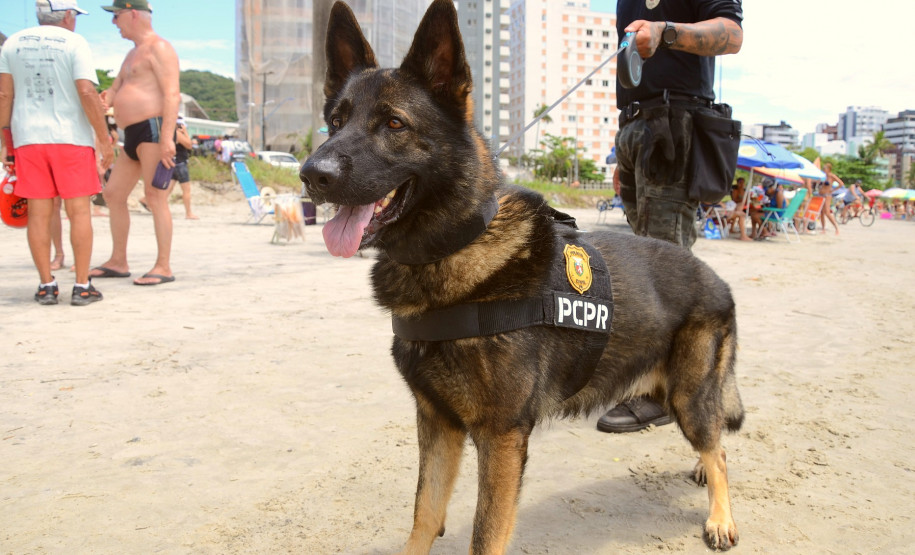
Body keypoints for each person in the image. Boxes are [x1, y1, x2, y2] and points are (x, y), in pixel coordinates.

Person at [597, 0, 744, 434]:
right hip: (636, 128)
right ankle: (648, 377)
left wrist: (668, 31)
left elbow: (732, 35)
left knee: (668, 265)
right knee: (640, 264)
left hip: (675, 124)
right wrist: (624, 146)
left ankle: (667, 393)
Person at [0, 0, 113, 306]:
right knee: (78, 212)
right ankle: (81, 286)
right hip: (71, 138)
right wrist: (104, 138)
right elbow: (87, 92)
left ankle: (46, 285)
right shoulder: (75, 42)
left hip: (28, 138)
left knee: (39, 213)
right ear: (67, 15)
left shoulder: (12, 44)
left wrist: (5, 141)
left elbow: (4, 94)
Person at [90, 0, 180, 286]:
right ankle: (118, 261)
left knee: (156, 197)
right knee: (114, 194)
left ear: (132, 14)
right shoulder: (131, 55)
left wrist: (167, 137)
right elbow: (115, 89)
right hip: (131, 135)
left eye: (115, 16)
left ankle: (163, 266)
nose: (113, 23)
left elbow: (172, 93)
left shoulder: (160, 47)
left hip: (153, 129)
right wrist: (99, 98)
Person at [139, 115, 196, 219]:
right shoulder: (177, 133)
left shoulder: (167, 133)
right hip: (180, 163)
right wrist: (185, 132)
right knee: (186, 190)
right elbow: (189, 145)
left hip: (173, 162)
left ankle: (148, 201)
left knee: (168, 189)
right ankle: (189, 213)